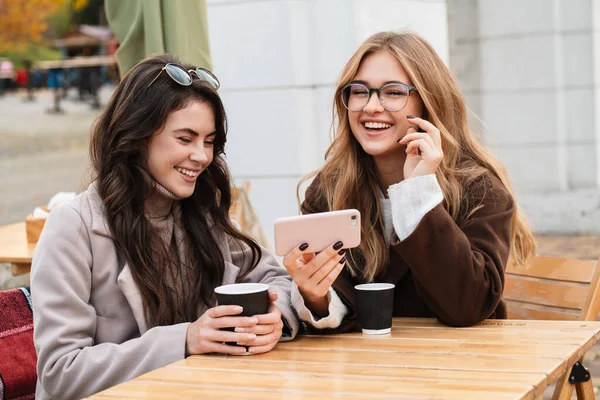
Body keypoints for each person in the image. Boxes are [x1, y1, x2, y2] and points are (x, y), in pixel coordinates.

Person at [30, 54, 299, 400]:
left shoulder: (202, 213)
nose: (202, 156)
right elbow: (60, 371)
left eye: (209, 141)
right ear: (138, 135)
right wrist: (185, 339)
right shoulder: (74, 226)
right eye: (185, 139)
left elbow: (277, 280)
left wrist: (275, 317)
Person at [283, 31, 536, 332]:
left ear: (428, 102)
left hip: (461, 367)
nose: (372, 106)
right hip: (366, 370)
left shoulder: (479, 191)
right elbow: (338, 300)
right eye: (359, 91)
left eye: (393, 92)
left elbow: (467, 306)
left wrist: (418, 193)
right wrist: (315, 295)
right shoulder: (330, 189)